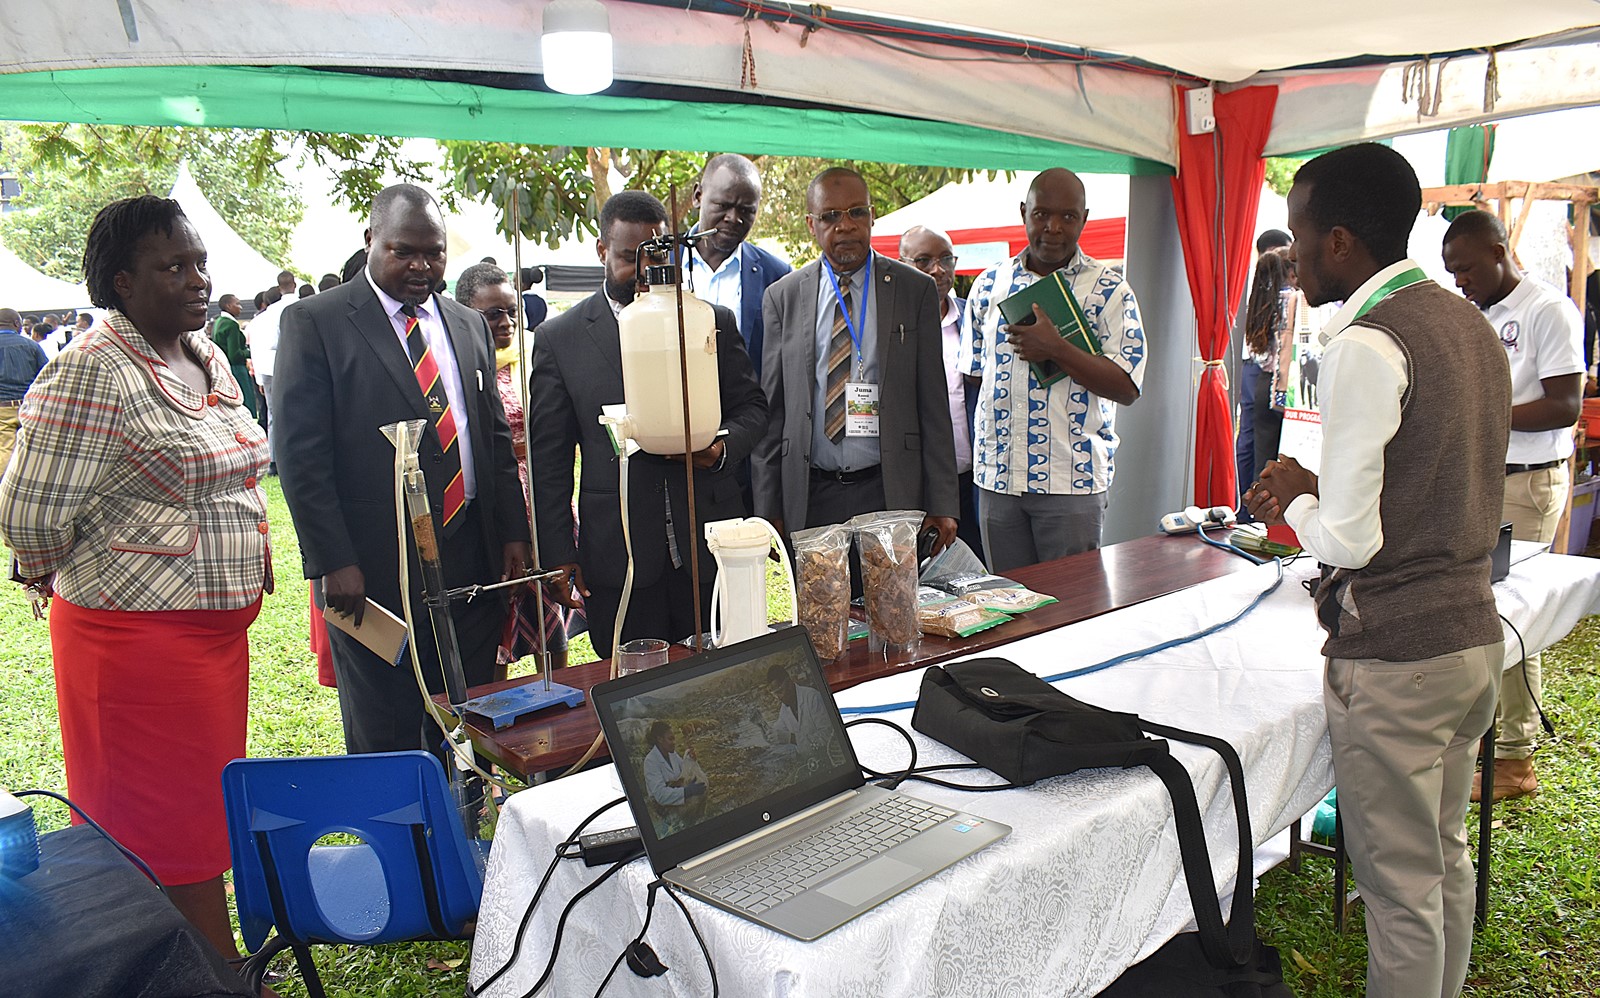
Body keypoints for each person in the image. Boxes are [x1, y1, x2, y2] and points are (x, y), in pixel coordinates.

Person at [1245, 143, 1509, 998]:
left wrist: (1292, 503)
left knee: (1397, 893)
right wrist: (1320, 489)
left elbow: (1350, 543)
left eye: (1298, 232)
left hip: (1397, 657)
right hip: (1472, 637)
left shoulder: (1366, 342)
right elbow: (1431, 478)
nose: (1291, 255)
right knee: (1442, 861)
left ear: (1339, 241)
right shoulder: (1465, 321)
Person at [0, 195, 271, 963]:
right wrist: (88, 566)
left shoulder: (204, 353)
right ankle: (203, 969)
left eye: (198, 262)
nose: (196, 278)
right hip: (136, 646)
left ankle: (200, 960)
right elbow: (27, 515)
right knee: (159, 823)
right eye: (173, 266)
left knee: (198, 809)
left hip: (210, 641)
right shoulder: (92, 371)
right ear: (122, 281)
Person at [275, 183, 532, 755]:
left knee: (464, 713)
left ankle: (457, 825)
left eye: (434, 253)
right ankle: (398, 838)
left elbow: (490, 436)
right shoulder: (316, 322)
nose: (421, 266)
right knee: (385, 725)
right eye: (403, 251)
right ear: (371, 242)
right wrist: (332, 560)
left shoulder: (466, 324)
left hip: (471, 555)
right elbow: (300, 454)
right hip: (374, 565)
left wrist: (513, 531)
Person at [529, 191, 768, 658]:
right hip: (619, 552)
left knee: (723, 674)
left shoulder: (709, 321)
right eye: (627, 257)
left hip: (707, 543)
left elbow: (753, 410)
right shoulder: (560, 339)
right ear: (602, 251)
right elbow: (549, 461)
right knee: (634, 694)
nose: (644, 271)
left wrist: (718, 449)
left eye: (659, 257)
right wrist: (557, 553)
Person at [1442, 208, 1584, 803]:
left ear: (1501, 251)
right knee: (1481, 609)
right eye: (1452, 273)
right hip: (1486, 478)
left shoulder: (1547, 310)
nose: (1461, 282)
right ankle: (1486, 738)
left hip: (1527, 482)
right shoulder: (1479, 316)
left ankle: (1514, 758)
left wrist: (1480, 416)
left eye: (1468, 269)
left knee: (1512, 616)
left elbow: (1565, 405)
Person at [752, 167, 958, 551]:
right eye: (831, 216)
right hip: (811, 495)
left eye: (856, 213)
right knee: (820, 609)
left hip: (889, 491)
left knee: (892, 609)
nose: (845, 226)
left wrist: (943, 502)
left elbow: (934, 402)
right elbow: (772, 412)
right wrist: (768, 506)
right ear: (811, 224)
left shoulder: (914, 290)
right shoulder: (783, 297)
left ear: (872, 216)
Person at [962, 168, 1146, 570]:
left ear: (1084, 218)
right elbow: (974, 378)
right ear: (1024, 212)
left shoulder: (1110, 290)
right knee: (1009, 612)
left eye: (1068, 217)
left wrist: (1058, 348)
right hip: (999, 480)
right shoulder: (988, 285)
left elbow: (1128, 388)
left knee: (1070, 616)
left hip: (1071, 482)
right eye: (1042, 214)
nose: (1054, 228)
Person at [453, 260, 569, 673]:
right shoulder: (460, 365)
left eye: (510, 311)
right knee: (502, 609)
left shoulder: (533, 353)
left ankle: (559, 696)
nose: (505, 322)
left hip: (540, 495)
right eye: (493, 314)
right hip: (497, 500)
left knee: (548, 609)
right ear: (467, 313)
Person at [899, 224, 984, 561]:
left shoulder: (973, 320)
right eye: (923, 261)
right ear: (901, 263)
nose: (937, 269)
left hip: (972, 480)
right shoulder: (889, 324)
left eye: (946, 259)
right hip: (916, 487)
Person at [685, 153, 791, 379]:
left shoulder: (777, 276)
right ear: (698, 196)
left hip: (746, 412)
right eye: (723, 205)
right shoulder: (662, 263)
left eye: (746, 210)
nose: (734, 218)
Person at [1240, 251, 1296, 492]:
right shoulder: (1295, 300)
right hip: (1287, 384)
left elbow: (1258, 354)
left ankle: (1256, 513)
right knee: (1290, 456)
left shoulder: (1258, 304)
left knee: (1262, 456)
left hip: (1264, 383)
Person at [0, 307, 49, 479]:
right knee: (32, 451)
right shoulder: (31, 346)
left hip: (1, 410)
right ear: (16, 323)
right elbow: (47, 377)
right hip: (29, 407)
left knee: (4, 452)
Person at [247, 285, 288, 471]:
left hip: (264, 370)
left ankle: (273, 459)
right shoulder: (282, 315)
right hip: (279, 369)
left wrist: (259, 379)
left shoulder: (257, 321)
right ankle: (278, 459)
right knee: (285, 416)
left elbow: (254, 349)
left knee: (272, 415)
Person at [765, 662, 836, 758]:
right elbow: (777, 733)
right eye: (775, 694)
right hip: (809, 759)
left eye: (780, 691)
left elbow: (829, 737)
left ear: (789, 683)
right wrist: (764, 729)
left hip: (828, 757)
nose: (779, 698)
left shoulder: (813, 698)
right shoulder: (784, 708)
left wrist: (792, 738)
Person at [210, 293, 257, 418]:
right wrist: (252, 352)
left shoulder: (218, 322)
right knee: (245, 405)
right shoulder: (231, 324)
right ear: (228, 306)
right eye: (237, 304)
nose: (240, 307)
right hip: (236, 370)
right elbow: (235, 354)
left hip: (224, 369)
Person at [643, 720, 706, 808]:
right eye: (670, 739)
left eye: (674, 738)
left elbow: (684, 769)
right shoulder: (650, 762)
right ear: (660, 739)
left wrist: (690, 759)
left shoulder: (672, 754)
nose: (674, 742)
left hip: (676, 800)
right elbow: (660, 795)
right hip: (663, 810)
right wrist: (686, 792)